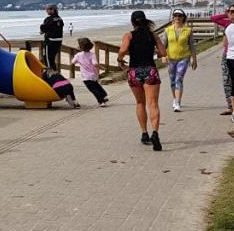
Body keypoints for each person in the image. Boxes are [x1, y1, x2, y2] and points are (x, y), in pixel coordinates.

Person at [117, 10, 167, 151]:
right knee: (153, 104)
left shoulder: (129, 35)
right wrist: (156, 50)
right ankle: (155, 133)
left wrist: (120, 59)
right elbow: (163, 53)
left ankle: (144, 134)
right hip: (150, 70)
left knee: (140, 103)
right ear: (145, 21)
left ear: (132, 22)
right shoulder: (153, 35)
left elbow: (124, 49)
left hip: (134, 72)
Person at [161, 10, 198, 111]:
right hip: (171, 59)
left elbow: (192, 46)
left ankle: (177, 102)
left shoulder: (188, 30)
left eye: (180, 16)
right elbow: (163, 45)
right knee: (172, 81)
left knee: (179, 79)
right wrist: (163, 56)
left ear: (183, 18)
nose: (177, 18)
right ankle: (174, 98)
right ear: (173, 18)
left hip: (183, 58)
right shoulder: (167, 30)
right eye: (175, 16)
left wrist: (194, 59)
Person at [71, 38, 109, 106]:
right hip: (94, 75)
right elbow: (95, 64)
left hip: (85, 77)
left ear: (80, 47)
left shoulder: (78, 55)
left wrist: (78, 61)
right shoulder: (92, 54)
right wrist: (102, 67)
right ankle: (104, 95)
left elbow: (72, 62)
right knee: (97, 86)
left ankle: (101, 101)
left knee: (93, 89)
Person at [39, 4, 64, 73]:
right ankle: (55, 72)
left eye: (47, 9)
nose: (46, 11)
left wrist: (41, 29)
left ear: (52, 10)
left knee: (48, 59)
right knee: (52, 58)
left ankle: (51, 74)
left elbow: (43, 28)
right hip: (59, 41)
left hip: (50, 41)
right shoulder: (60, 19)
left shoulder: (49, 19)